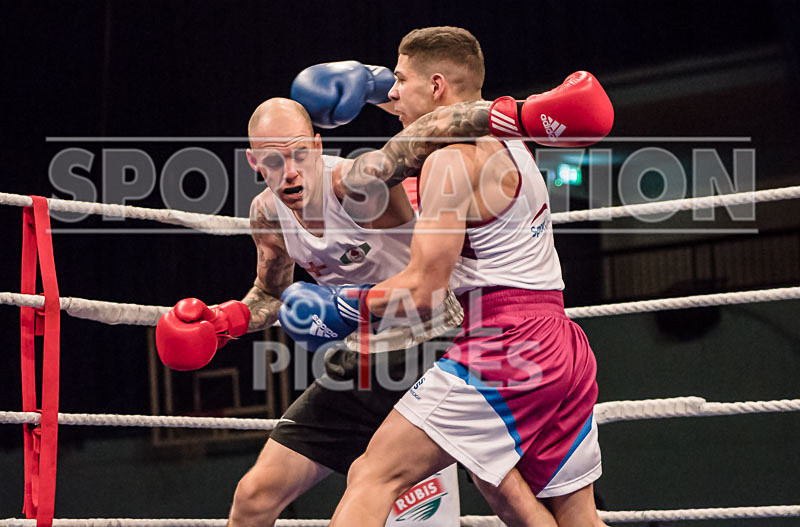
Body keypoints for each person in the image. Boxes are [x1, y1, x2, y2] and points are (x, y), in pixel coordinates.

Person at [154, 82, 605, 525]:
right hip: (365, 360)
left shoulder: (356, 182)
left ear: (316, 144)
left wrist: (519, 116)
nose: (289, 171)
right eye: (273, 160)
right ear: (254, 162)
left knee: (511, 501)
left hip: (439, 345)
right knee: (254, 496)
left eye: (298, 155)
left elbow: (426, 132)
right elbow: (271, 294)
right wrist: (224, 321)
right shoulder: (267, 214)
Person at [278, 26, 612, 527]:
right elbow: (431, 123)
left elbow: (425, 288)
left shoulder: (448, 162)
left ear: (435, 86)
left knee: (374, 474)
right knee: (572, 516)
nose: (391, 92)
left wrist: (344, 306)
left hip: (503, 343)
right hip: (562, 344)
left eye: (400, 80)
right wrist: (372, 89)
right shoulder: (513, 144)